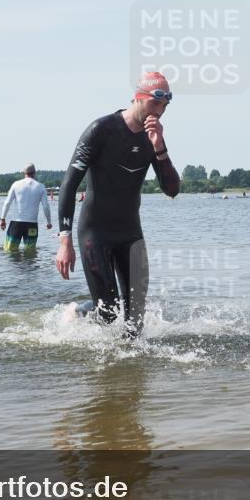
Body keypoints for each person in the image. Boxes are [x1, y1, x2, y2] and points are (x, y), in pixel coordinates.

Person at [55, 71, 180, 337]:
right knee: (109, 313)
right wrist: (64, 240)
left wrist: (159, 148)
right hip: (95, 233)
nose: (159, 111)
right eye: (154, 103)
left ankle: (130, 377)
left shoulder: (153, 135)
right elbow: (68, 185)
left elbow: (172, 190)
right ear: (138, 97)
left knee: (136, 321)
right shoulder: (102, 130)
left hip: (131, 234)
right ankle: (79, 312)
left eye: (164, 106)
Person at [0, 163, 52, 251]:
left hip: (16, 224)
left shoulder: (16, 185)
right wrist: (49, 222)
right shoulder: (41, 187)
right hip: (32, 224)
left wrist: (2, 219)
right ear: (34, 172)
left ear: (24, 172)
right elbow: (46, 206)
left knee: (9, 251)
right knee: (30, 252)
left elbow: (7, 202)